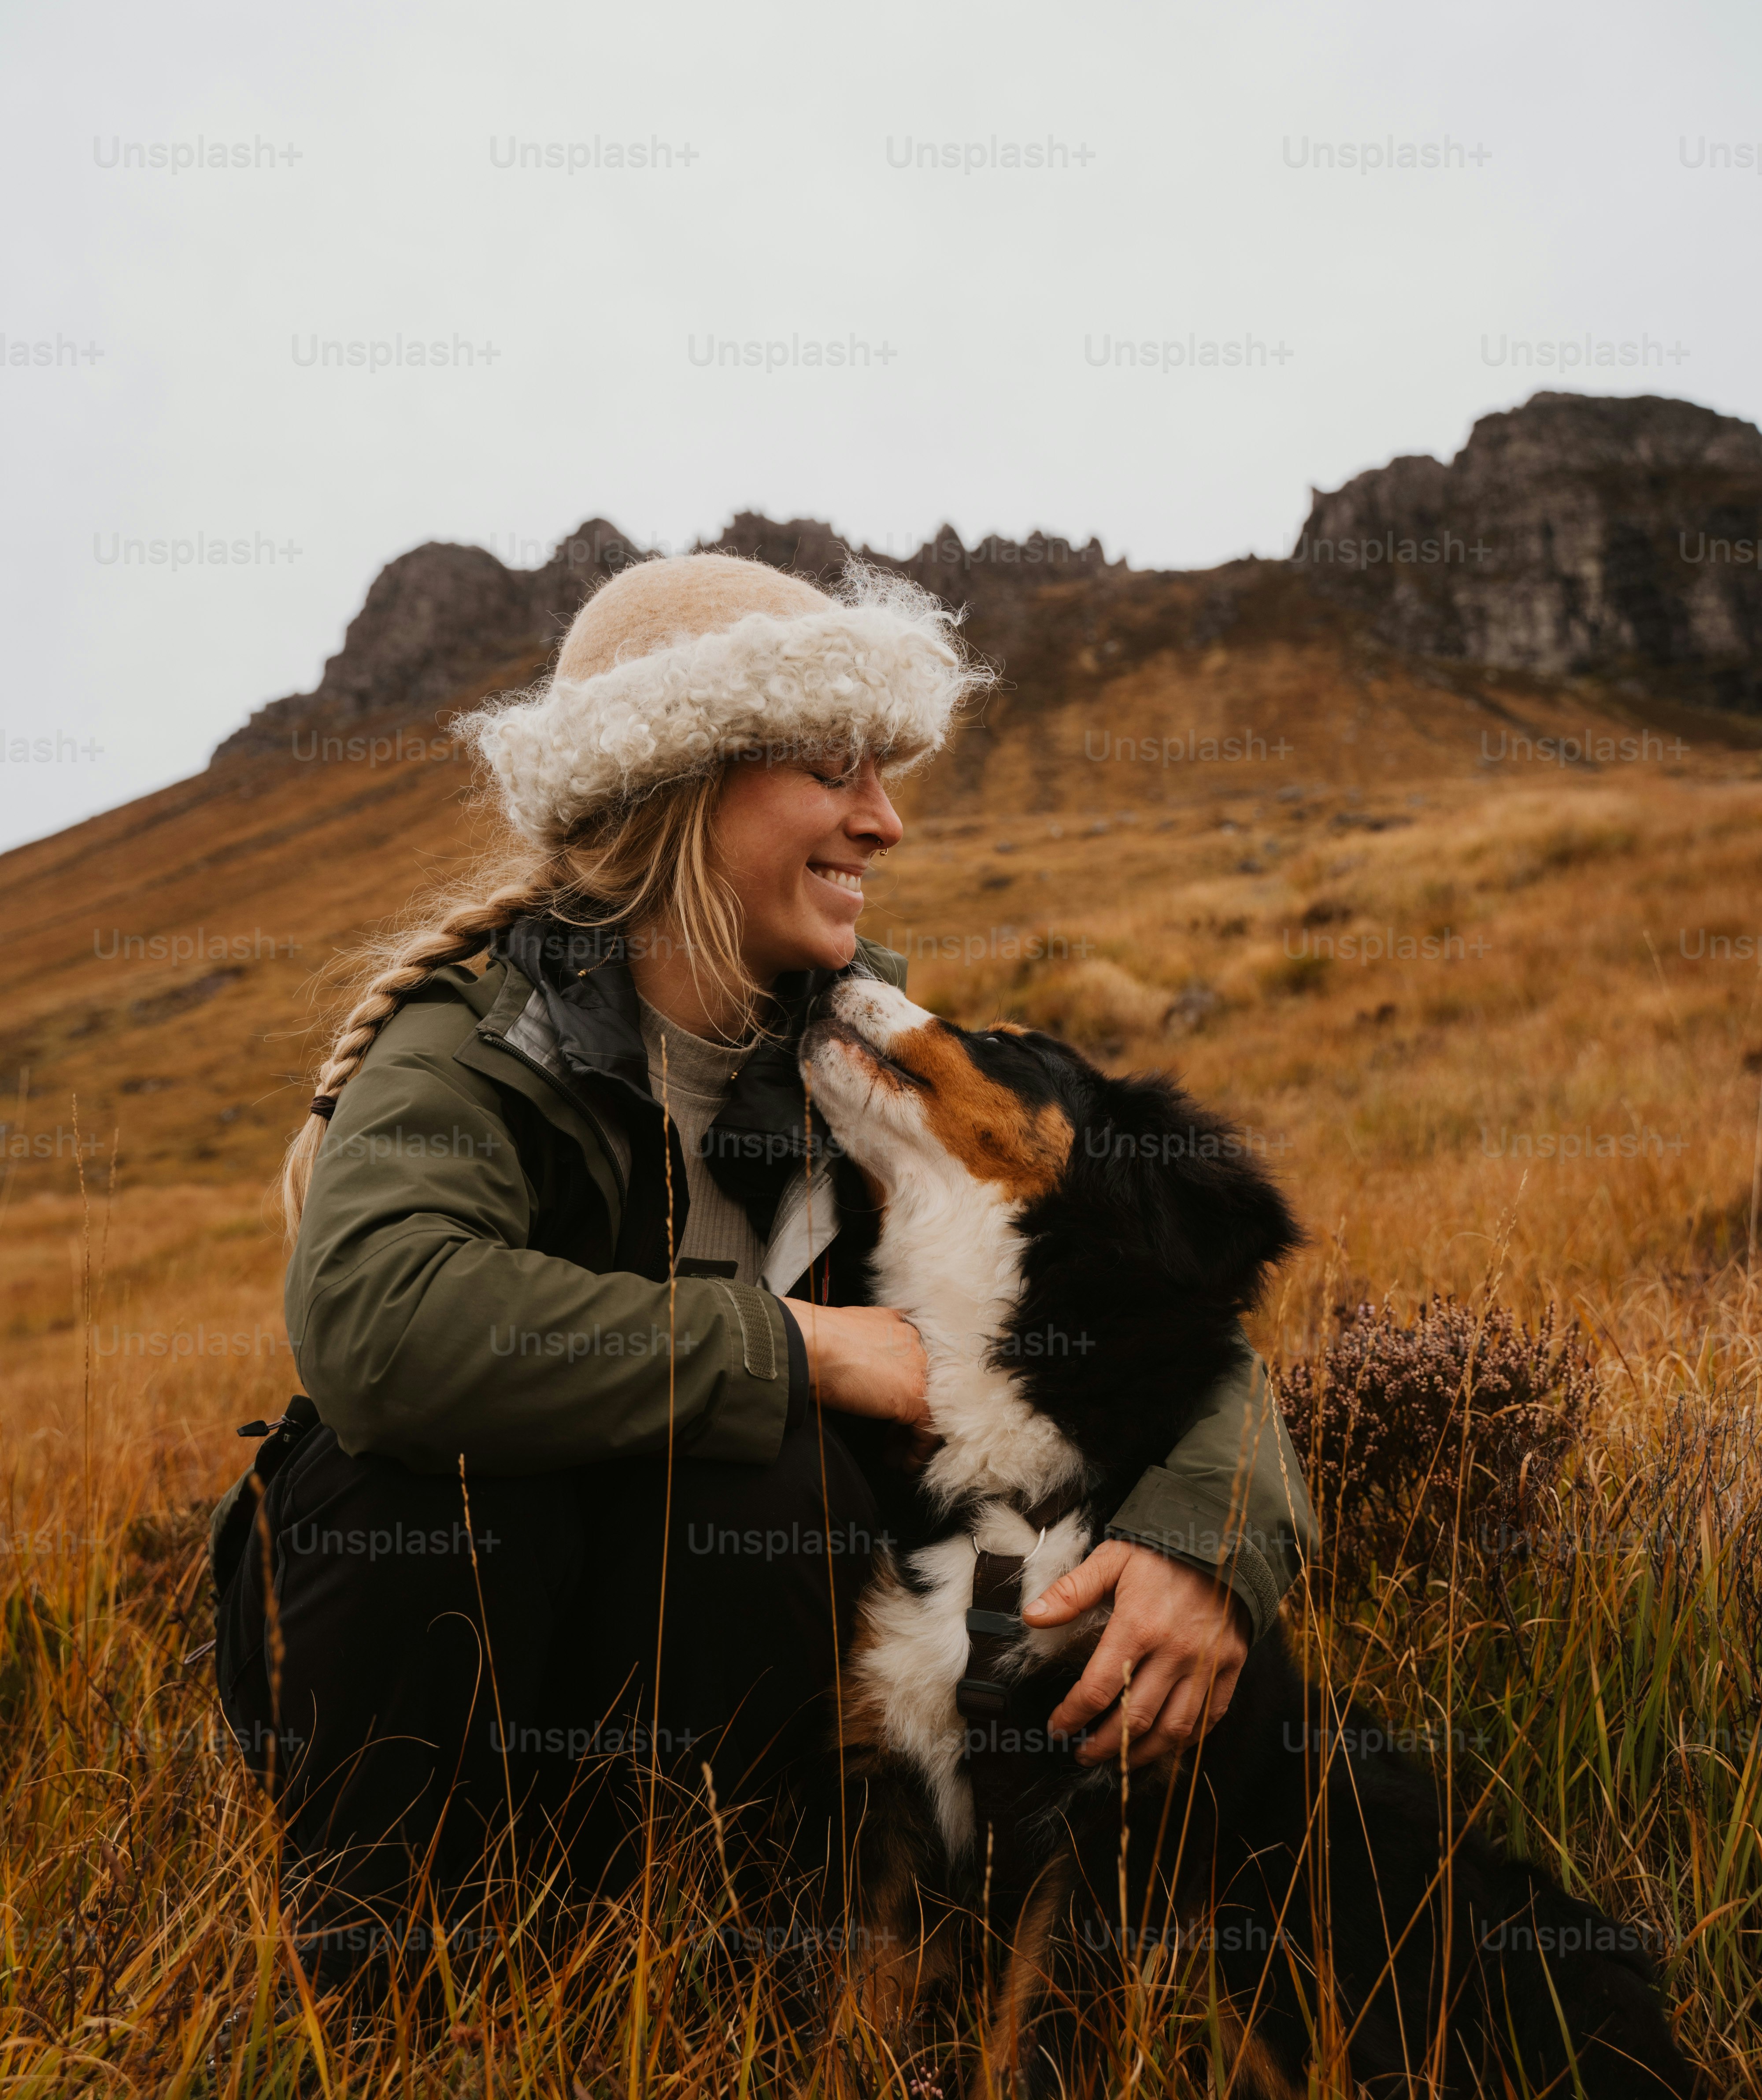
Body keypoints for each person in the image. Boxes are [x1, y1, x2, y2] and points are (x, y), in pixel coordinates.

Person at [210, 552, 1316, 1987]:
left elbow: (1135, 1301)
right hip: (442, 1652)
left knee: (763, 1488)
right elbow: (377, 1327)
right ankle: (387, 2003)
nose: (887, 819)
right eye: (833, 769)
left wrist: (1201, 1547)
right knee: (422, 1481)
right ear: (684, 786)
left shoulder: (855, 1057)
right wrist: (801, 1347)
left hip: (692, 1657)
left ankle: (707, 1979)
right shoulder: (473, 1044)